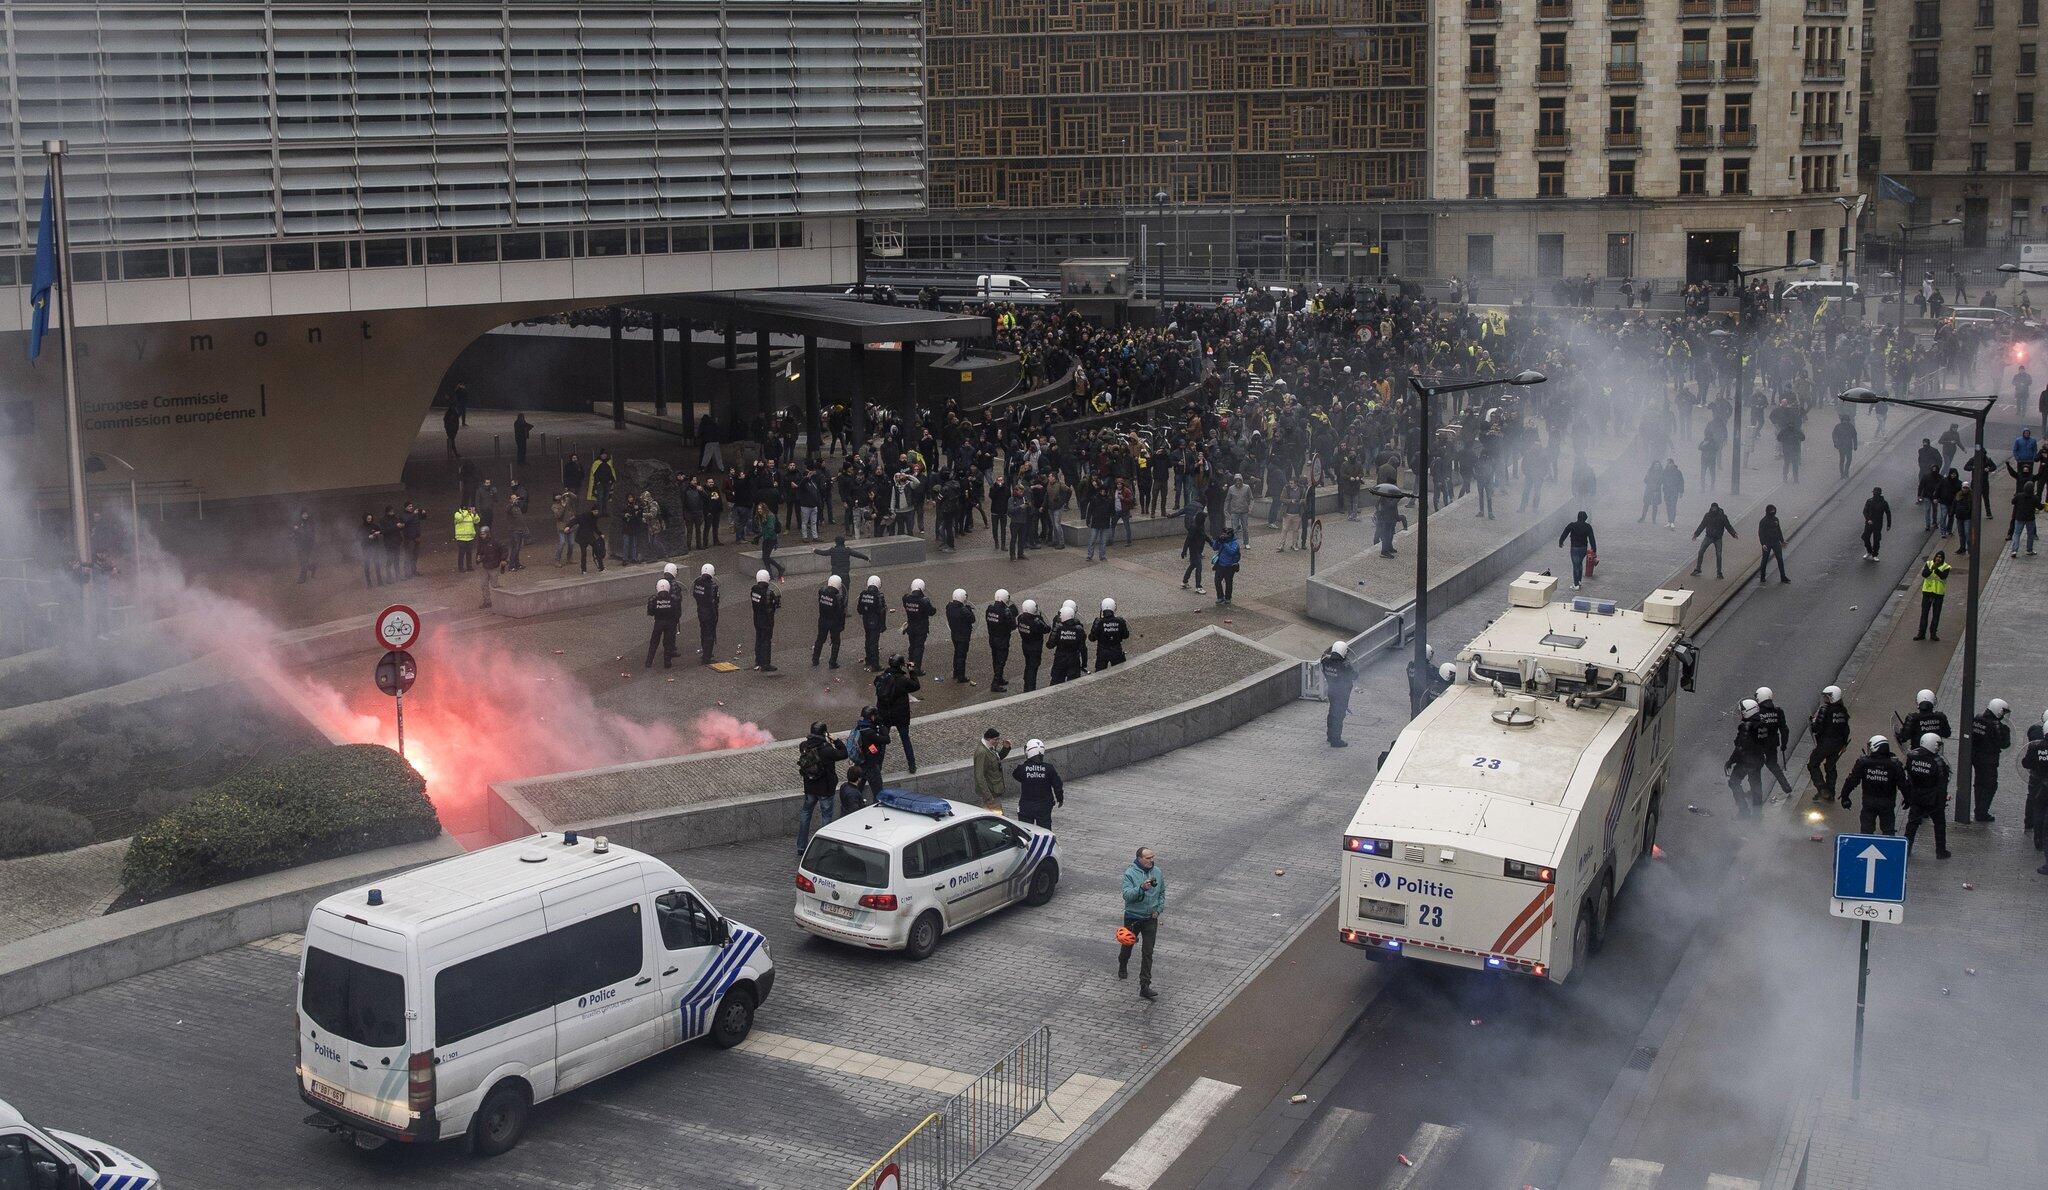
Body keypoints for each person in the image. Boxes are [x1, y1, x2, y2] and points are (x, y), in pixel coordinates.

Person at [1119, 847, 1165, 1000]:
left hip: (1151, 918)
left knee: (1148, 952)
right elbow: (1127, 896)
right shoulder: (1130, 874)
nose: (1151, 860)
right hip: (1133, 918)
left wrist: (1158, 910)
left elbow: (1162, 892)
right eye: (1148, 858)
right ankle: (1123, 963)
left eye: (1152, 857)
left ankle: (1144, 985)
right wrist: (1141, 888)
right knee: (1128, 945)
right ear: (1139, 859)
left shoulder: (1157, 872)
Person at [796, 722, 848, 855]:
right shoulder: (827, 750)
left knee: (806, 814)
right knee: (826, 816)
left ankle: (801, 846)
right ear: (824, 733)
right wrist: (836, 741)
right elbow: (844, 753)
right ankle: (824, 847)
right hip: (825, 789)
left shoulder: (804, 746)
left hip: (810, 788)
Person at [1840, 735, 1908, 831]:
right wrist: (1908, 799)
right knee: (1888, 831)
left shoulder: (1863, 763)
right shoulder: (1895, 764)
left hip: (1869, 802)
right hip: (1887, 803)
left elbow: (1851, 781)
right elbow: (1903, 784)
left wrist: (1845, 796)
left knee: (1866, 831)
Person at [1903, 733, 1953, 859]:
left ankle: (1906, 849)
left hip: (1917, 797)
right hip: (1933, 799)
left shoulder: (1911, 757)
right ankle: (1941, 851)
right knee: (1939, 824)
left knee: (1912, 824)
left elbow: (1909, 778)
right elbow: (1942, 784)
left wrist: (1908, 796)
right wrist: (1942, 800)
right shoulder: (1938, 762)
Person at [1966, 698, 2013, 822]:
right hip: (1989, 760)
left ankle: (1978, 810)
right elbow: (2004, 744)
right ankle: (1982, 812)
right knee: (1990, 786)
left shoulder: (1977, 719)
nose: (2003, 715)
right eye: (2003, 712)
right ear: (1998, 711)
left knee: (1979, 783)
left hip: (1975, 757)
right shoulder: (1998, 726)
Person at [873, 656, 921, 773]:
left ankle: (878, 767)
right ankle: (912, 765)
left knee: (882, 742)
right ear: (900, 665)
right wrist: (912, 671)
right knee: (905, 740)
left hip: (884, 715)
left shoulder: (881, 678)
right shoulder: (903, 680)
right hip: (901, 715)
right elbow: (916, 686)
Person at [1807, 685, 1852, 802]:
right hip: (1838, 744)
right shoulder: (1843, 711)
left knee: (1813, 764)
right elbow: (1846, 730)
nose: (1825, 699)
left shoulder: (1825, 709)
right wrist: (1844, 744)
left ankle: (1822, 789)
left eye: (1827, 697)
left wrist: (1812, 723)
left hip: (1825, 743)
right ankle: (1831, 793)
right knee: (1830, 767)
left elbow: (1818, 727)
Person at [1725, 699, 1768, 815]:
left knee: (1734, 782)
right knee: (1756, 784)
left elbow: (1740, 747)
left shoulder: (1746, 727)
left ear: (1748, 712)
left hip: (1746, 761)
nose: (1740, 715)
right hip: (1758, 759)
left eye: (1742, 712)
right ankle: (1758, 812)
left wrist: (1731, 761)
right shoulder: (1762, 723)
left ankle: (1743, 811)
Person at [1012, 740, 1065, 828]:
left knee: (1026, 830)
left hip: (1027, 805)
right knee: (1045, 830)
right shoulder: (1049, 768)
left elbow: (1016, 775)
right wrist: (1060, 799)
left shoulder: (1023, 768)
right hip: (1044, 805)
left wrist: (1028, 766)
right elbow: (1057, 786)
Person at [1753, 686, 1795, 796]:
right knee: (1773, 764)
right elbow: (1784, 730)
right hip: (1773, 743)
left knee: (1756, 768)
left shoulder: (1757, 713)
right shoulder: (1778, 712)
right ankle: (1786, 786)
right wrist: (1784, 745)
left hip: (1759, 745)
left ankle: (1757, 793)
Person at [1320, 639, 1356, 748]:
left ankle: (1330, 735)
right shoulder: (1344, 666)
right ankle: (1336, 740)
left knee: (1332, 713)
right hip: (1342, 693)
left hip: (1332, 691)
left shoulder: (1326, 661)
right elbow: (1354, 675)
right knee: (1339, 715)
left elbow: (1323, 660)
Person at [1690, 501, 1737, 579]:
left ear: (1717, 508)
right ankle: (1698, 569)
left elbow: (1728, 526)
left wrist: (1733, 533)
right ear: (1711, 508)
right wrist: (1696, 534)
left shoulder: (1722, 517)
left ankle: (1719, 572)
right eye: (1712, 508)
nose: (1713, 509)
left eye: (1715, 508)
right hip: (1708, 537)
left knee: (1718, 555)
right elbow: (1702, 525)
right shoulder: (1708, 516)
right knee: (1701, 551)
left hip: (1717, 538)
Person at [1913, 551, 1951, 641]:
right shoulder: (1929, 563)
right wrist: (1931, 569)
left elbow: (1943, 576)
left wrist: (1936, 569)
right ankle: (1921, 633)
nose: (1938, 558)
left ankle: (1933, 633)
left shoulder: (1946, 567)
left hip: (1938, 594)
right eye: (1937, 556)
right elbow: (1924, 574)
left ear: (1943, 559)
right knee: (1924, 614)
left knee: (1936, 615)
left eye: (1940, 557)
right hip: (1928, 592)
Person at [812, 574, 847, 669]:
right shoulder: (838, 597)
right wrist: (841, 625)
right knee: (836, 642)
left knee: (820, 640)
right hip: (834, 622)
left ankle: (815, 659)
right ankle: (832, 662)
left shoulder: (822, 592)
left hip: (823, 619)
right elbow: (841, 613)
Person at [985, 589, 1017, 693]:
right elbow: (1013, 626)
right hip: (1002, 639)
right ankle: (995, 683)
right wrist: (1013, 615)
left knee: (995, 659)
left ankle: (999, 679)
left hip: (992, 638)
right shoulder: (1005, 611)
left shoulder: (990, 609)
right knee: (1001, 661)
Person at [902, 578, 936, 675]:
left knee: (912, 646)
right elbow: (932, 612)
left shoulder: (906, 598)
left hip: (911, 626)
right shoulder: (924, 601)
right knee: (918, 648)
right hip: (921, 627)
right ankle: (916, 669)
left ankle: (910, 666)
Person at [646, 577, 682, 668]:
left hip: (658, 623)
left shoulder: (654, 599)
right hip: (670, 623)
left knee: (654, 642)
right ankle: (667, 663)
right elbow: (677, 612)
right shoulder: (673, 599)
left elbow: (650, 612)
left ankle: (649, 662)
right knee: (668, 643)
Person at [973, 727, 1011, 813]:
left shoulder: (990, 747)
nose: (997, 741)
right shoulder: (982, 752)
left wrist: (1005, 748)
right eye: (996, 739)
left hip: (994, 791)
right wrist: (989, 797)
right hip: (990, 793)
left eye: (998, 739)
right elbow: (979, 776)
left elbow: (996, 760)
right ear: (989, 739)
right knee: (998, 819)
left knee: (996, 817)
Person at [749, 568, 780, 672]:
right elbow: (770, 609)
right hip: (766, 620)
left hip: (757, 618)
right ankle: (766, 664)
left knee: (759, 639)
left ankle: (758, 660)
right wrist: (775, 602)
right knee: (766, 641)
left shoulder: (754, 590)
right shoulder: (768, 593)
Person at [1557, 511, 1596, 590]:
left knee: (1576, 566)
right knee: (1580, 564)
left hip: (1574, 548)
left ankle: (1576, 584)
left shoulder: (1572, 525)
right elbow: (1592, 538)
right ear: (1585, 518)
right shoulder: (1588, 526)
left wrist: (1561, 542)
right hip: (1583, 548)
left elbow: (1565, 533)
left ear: (1577, 517)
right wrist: (1594, 549)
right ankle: (1579, 581)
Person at [1050, 605, 1088, 684]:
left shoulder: (1058, 629)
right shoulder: (1078, 629)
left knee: (1056, 683)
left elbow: (1050, 645)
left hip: (1060, 659)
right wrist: (1084, 663)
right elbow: (1083, 648)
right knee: (1074, 683)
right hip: (1074, 659)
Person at [944, 588, 976, 685]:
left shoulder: (949, 607)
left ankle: (955, 672)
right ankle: (961, 676)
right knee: (962, 655)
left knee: (956, 653)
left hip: (954, 633)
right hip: (963, 635)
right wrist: (969, 610)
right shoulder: (963, 610)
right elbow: (972, 619)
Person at [1017, 599, 1049, 691]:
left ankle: (1026, 682)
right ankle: (1030, 688)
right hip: (1035, 647)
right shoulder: (1036, 622)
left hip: (1025, 645)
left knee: (1028, 665)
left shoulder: (1020, 618)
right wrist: (1040, 618)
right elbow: (1047, 629)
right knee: (1033, 667)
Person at [1090, 598, 1130, 671]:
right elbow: (1126, 635)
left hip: (1102, 651)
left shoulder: (1098, 622)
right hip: (1116, 650)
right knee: (1118, 672)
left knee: (1099, 674)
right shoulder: (1120, 621)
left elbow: (1091, 638)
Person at [858, 575, 888, 670]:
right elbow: (881, 611)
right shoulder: (879, 596)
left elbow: (859, 609)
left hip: (866, 620)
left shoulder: (863, 594)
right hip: (875, 621)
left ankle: (868, 660)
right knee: (874, 642)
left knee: (868, 640)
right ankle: (875, 665)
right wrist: (883, 624)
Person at [692, 563, 720, 664]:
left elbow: (695, 595)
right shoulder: (712, 586)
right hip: (710, 612)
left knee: (703, 632)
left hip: (700, 610)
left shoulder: (697, 582)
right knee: (710, 634)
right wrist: (715, 614)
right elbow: (715, 600)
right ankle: (707, 657)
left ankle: (705, 652)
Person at [1756, 504, 1789, 584]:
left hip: (1776, 542)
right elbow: (1760, 533)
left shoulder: (1776, 520)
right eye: (1771, 511)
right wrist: (1763, 544)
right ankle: (1762, 576)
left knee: (1780, 559)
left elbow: (1779, 530)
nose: (1773, 512)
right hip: (1767, 543)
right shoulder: (1763, 521)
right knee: (1765, 560)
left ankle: (1783, 576)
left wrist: (1782, 541)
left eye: (1774, 511)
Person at [1210, 528, 1241, 606]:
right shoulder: (1221, 540)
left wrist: (1224, 544)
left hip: (1230, 566)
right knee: (1217, 581)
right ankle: (1220, 597)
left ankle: (1228, 598)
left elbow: (1232, 552)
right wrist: (1217, 541)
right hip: (1220, 565)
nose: (1223, 536)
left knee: (1228, 582)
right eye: (1222, 534)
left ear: (1230, 535)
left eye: (1225, 534)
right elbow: (1214, 548)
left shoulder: (1234, 543)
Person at [1861, 486, 1891, 561]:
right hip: (1869, 523)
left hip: (1878, 524)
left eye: (1876, 493)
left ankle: (1875, 554)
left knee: (1876, 539)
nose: (1875, 495)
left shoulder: (1883, 503)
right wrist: (1868, 520)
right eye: (1874, 493)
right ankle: (1869, 551)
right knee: (1865, 537)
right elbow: (1865, 511)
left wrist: (1888, 524)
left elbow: (1888, 513)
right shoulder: (1869, 501)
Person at [291, 511, 318, 583]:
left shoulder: (310, 523)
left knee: (304, 561)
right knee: (301, 561)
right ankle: (312, 567)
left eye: (307, 514)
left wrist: (297, 529)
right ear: (301, 515)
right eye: (304, 514)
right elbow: (294, 533)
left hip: (307, 545)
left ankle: (302, 578)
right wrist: (294, 531)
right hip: (300, 545)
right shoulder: (299, 522)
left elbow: (308, 534)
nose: (305, 515)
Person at [453, 504, 479, 572]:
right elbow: (460, 519)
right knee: (461, 553)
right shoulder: (457, 514)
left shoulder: (470, 514)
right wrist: (466, 512)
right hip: (461, 538)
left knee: (469, 553)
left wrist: (475, 513)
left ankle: (469, 566)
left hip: (470, 537)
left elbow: (477, 521)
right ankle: (461, 567)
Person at [1659, 458, 1684, 528]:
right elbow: (1661, 480)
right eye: (1668, 463)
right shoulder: (1664, 472)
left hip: (1674, 491)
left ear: (1673, 463)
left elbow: (1681, 482)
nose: (1669, 464)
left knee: (1673, 506)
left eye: (1670, 463)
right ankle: (1669, 521)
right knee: (1668, 506)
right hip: (1666, 492)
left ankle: (1672, 521)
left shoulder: (1678, 472)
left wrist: (1681, 491)